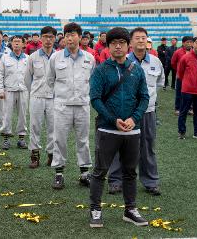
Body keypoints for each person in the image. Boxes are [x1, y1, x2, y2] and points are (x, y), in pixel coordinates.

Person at [89, 27, 150, 228]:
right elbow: (95, 99)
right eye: (113, 43)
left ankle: (130, 210)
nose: (118, 46)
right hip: (107, 129)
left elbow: (144, 98)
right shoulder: (101, 69)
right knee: (100, 171)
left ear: (128, 45)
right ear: (108, 47)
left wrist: (134, 118)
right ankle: (96, 210)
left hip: (132, 130)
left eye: (121, 43)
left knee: (130, 172)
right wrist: (113, 119)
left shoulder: (137, 69)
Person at [107, 27, 164, 196]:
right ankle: (116, 181)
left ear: (147, 41)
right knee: (119, 146)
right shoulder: (120, 61)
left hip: (147, 112)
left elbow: (159, 83)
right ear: (130, 43)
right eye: (137, 38)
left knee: (148, 147)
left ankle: (150, 181)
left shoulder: (155, 61)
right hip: (125, 113)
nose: (141, 40)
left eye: (144, 38)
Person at [46, 22, 95, 189]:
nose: (70, 38)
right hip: (62, 106)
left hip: (82, 105)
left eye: (73, 35)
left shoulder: (89, 58)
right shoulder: (55, 57)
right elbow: (49, 80)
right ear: (63, 38)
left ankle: (84, 173)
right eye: (67, 35)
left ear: (80, 38)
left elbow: (92, 80)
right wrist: (61, 96)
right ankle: (59, 174)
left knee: (83, 140)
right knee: (59, 140)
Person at [24, 26, 57, 168]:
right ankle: (34, 156)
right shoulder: (33, 57)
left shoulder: (59, 56)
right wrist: (34, 91)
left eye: (51, 37)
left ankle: (51, 154)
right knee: (35, 126)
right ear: (40, 38)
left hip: (54, 98)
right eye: (45, 37)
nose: (48, 40)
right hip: (37, 96)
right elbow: (27, 78)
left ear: (55, 38)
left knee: (53, 128)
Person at [0, 36, 29, 150]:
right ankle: (6, 140)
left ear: (23, 44)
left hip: (23, 90)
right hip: (8, 90)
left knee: (23, 116)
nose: (16, 44)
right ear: (11, 44)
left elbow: (31, 76)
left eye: (19, 42)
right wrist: (0, 90)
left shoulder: (28, 58)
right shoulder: (5, 58)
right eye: (14, 42)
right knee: (6, 115)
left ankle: (21, 139)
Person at [178, 36, 197, 140]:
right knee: (183, 111)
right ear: (193, 44)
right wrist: (187, 82)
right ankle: (181, 132)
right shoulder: (185, 58)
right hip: (187, 90)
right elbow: (180, 73)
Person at [171, 36, 193, 115]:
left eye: (191, 42)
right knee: (179, 92)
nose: (189, 44)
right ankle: (178, 108)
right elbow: (173, 63)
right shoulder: (178, 52)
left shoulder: (194, 52)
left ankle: (190, 108)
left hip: (191, 77)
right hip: (180, 76)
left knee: (190, 93)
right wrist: (178, 70)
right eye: (187, 42)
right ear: (183, 43)